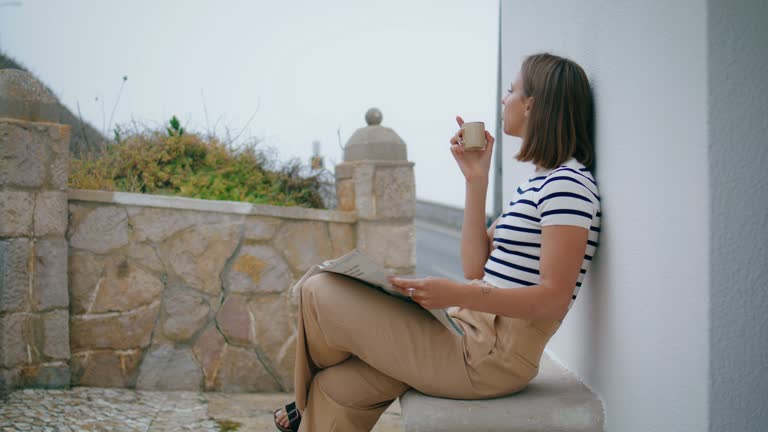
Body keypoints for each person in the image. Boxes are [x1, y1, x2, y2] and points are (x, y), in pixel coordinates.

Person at [274, 52, 600, 432]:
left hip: (489, 358)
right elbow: (475, 267)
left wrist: (458, 295)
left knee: (320, 288)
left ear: (532, 105)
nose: (503, 99)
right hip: (463, 332)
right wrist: (476, 181)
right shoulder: (537, 183)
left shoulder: (569, 186)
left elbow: (553, 297)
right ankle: (310, 396)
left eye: (511, 90)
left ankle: (303, 396)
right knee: (336, 388)